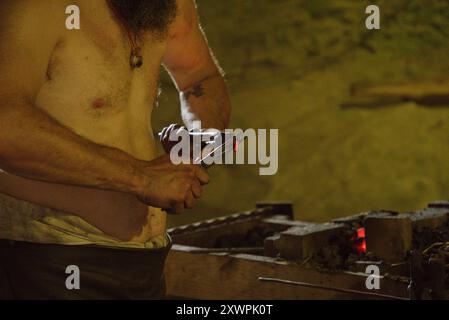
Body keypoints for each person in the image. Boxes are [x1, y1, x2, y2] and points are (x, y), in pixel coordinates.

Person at [0, 0, 230, 299]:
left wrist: (196, 150)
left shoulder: (166, 5)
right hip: (48, 258)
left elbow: (199, 76)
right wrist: (142, 177)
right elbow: (5, 125)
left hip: (144, 261)